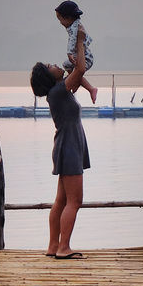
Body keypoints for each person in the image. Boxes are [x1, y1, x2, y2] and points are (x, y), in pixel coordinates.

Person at [30, 51, 91, 260]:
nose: (55, 64)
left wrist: (74, 65)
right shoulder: (58, 91)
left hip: (67, 146)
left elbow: (78, 73)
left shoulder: (59, 90)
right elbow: (81, 69)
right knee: (75, 201)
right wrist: (81, 41)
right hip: (69, 148)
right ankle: (64, 247)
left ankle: (53, 245)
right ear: (49, 76)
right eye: (50, 65)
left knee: (61, 200)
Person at [55, 0, 98, 104]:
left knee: (75, 70)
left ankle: (84, 86)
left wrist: (69, 52)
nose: (60, 23)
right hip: (82, 55)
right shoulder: (75, 25)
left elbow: (73, 40)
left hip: (86, 58)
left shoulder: (75, 28)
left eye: (60, 19)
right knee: (67, 65)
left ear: (68, 18)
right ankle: (77, 83)